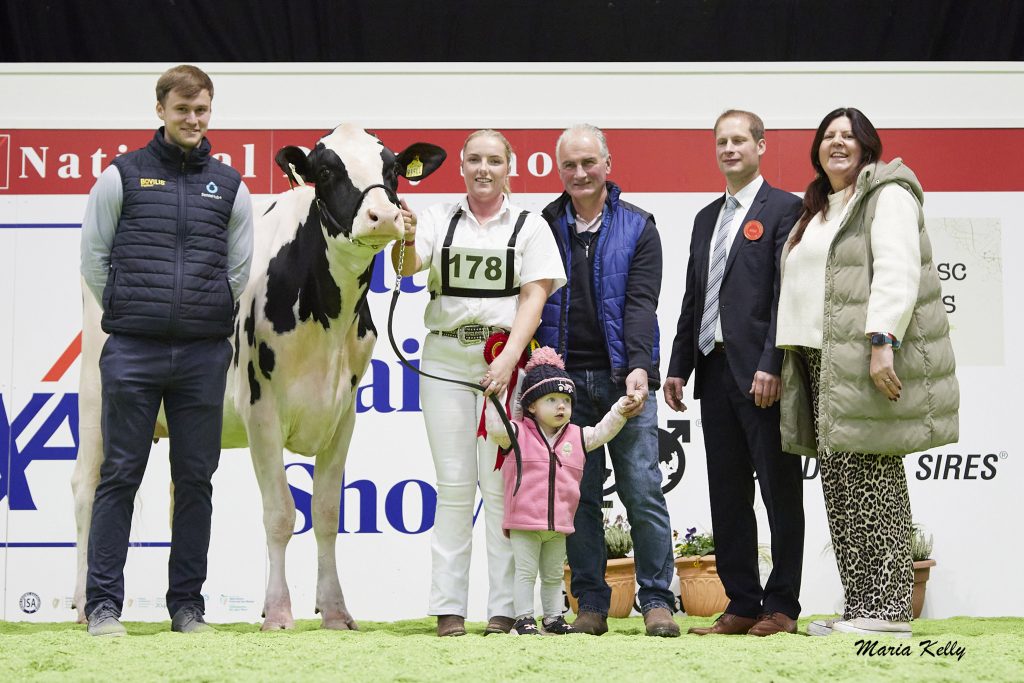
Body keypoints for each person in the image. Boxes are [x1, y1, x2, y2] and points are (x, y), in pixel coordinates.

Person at [80, 64, 254, 636]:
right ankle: (103, 605)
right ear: (160, 110)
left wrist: (202, 313)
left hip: (204, 355)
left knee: (196, 480)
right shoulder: (121, 176)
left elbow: (237, 271)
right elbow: (94, 260)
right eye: (182, 109)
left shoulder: (230, 186)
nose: (193, 119)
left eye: (201, 110)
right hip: (132, 349)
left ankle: (187, 607)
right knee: (119, 475)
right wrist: (132, 310)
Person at [775, 107, 959, 638]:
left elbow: (898, 272)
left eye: (848, 136)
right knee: (842, 487)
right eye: (828, 136)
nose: (837, 143)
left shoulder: (887, 194)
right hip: (818, 359)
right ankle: (862, 607)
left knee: (873, 481)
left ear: (866, 145)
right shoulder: (820, 206)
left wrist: (882, 344)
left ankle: (890, 611)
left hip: (860, 357)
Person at [391, 129, 566, 637]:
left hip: (503, 363)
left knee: (501, 488)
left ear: (510, 166)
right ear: (461, 166)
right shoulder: (435, 218)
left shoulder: (530, 226)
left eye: (493, 160)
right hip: (445, 359)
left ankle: (504, 609)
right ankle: (449, 607)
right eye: (474, 160)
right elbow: (408, 268)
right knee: (452, 486)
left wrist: (509, 361)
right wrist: (405, 236)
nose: (483, 169)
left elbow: (534, 297)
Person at [664, 110, 805, 637]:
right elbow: (695, 296)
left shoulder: (786, 209)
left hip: (762, 375)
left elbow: (786, 295)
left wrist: (773, 362)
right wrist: (678, 365)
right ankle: (743, 603)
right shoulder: (707, 218)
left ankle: (782, 606)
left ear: (761, 146)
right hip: (714, 370)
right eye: (721, 141)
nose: (729, 149)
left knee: (779, 493)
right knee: (727, 495)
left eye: (739, 140)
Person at [536, 124, 679, 637]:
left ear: (607, 164)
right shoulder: (542, 226)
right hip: (565, 387)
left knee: (643, 490)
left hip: (625, 382)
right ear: (560, 170)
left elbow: (641, 303)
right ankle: (592, 604)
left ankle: (657, 601)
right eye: (569, 165)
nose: (579, 173)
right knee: (579, 498)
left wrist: (639, 365)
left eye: (588, 162)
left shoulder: (640, 226)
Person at [484, 347, 639, 636]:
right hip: (524, 524)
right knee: (525, 574)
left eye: (566, 401)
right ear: (531, 406)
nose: (561, 407)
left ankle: (553, 618)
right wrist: (495, 396)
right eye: (551, 400)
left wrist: (619, 409)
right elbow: (494, 428)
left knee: (554, 575)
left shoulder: (577, 435)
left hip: (560, 525)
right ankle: (524, 618)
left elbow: (603, 431)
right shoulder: (517, 433)